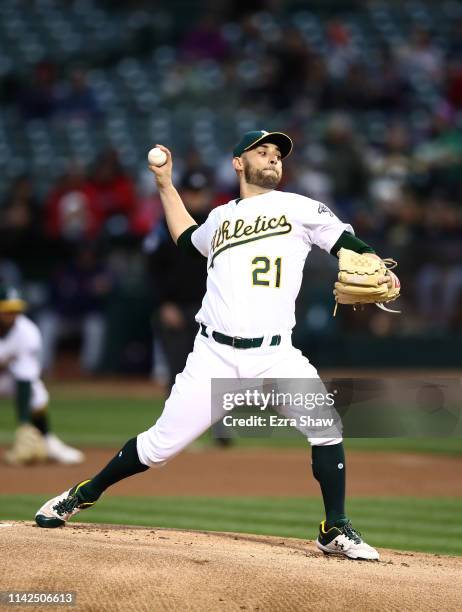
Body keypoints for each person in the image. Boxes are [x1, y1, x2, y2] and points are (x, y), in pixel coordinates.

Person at [34, 130, 399, 560]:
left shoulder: (300, 208)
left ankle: (334, 527)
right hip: (213, 355)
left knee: (326, 427)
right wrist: (166, 185)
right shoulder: (220, 218)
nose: (272, 159)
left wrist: (378, 265)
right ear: (238, 164)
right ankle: (82, 493)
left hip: (274, 354)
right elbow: (187, 240)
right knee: (157, 447)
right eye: (261, 152)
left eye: (277, 154)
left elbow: (347, 244)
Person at [0, 284, 84, 465]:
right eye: (7, 311)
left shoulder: (27, 333)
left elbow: (25, 378)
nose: (12, 315)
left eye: (15, 310)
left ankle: (47, 441)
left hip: (5, 378)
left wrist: (24, 424)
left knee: (37, 392)